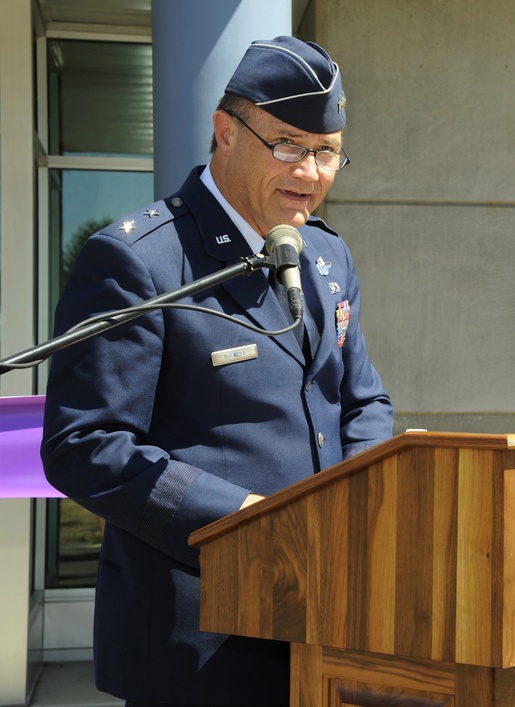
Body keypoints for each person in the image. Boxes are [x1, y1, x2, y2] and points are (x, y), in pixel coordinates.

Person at [41, 36, 393, 707]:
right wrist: (244, 521)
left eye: (327, 151)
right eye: (289, 144)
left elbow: (361, 400)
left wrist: (362, 511)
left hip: (324, 616)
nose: (311, 171)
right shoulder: (139, 261)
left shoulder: (325, 255)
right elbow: (85, 445)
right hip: (199, 635)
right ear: (226, 131)